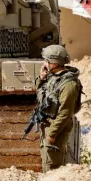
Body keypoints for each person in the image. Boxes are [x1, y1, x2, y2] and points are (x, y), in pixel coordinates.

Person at [35, 44, 82, 172]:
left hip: (57, 126)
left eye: (47, 61)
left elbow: (65, 113)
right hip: (48, 124)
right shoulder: (53, 77)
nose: (44, 63)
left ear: (54, 63)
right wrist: (41, 78)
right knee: (47, 160)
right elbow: (41, 93)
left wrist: (53, 133)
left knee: (52, 166)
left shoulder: (69, 84)